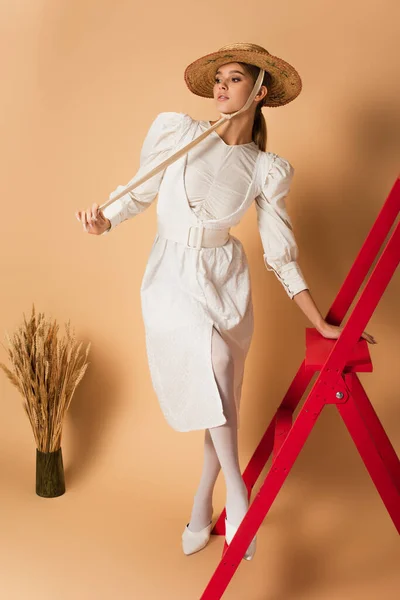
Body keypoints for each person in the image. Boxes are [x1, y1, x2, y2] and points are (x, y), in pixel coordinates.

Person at [75, 43, 376, 560]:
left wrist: (319, 323)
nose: (220, 87)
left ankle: (199, 504)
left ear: (260, 92)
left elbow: (281, 253)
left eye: (233, 79)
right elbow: (137, 192)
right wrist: (106, 220)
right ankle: (238, 495)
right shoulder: (179, 134)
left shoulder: (266, 169)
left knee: (221, 396)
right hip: (171, 273)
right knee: (214, 371)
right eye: (218, 78)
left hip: (226, 280)